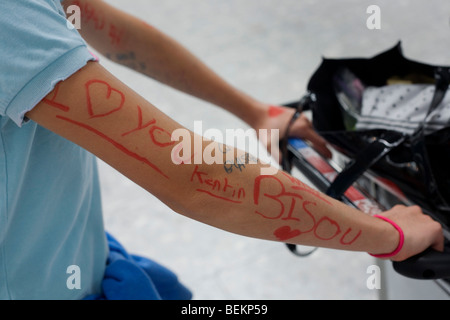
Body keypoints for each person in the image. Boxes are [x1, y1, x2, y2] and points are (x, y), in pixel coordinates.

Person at [0, 0, 443, 300]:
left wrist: (252, 111)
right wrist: (390, 235)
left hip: (61, 249)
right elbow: (197, 177)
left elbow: (96, 22)